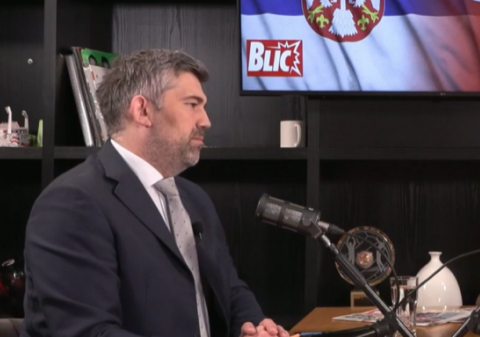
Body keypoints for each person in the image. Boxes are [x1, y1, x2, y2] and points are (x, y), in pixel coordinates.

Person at [21, 49, 290, 337]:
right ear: (143, 111)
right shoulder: (72, 203)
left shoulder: (195, 199)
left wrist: (253, 326)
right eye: (192, 105)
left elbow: (230, 289)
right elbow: (90, 332)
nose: (206, 121)